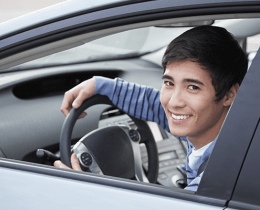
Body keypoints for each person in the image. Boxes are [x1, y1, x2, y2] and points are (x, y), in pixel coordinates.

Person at [54, 25, 248, 191]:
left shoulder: (217, 180)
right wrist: (100, 85)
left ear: (229, 95)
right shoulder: (221, 129)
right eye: (169, 83)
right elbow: (152, 103)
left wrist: (84, 192)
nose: (173, 102)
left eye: (192, 87)